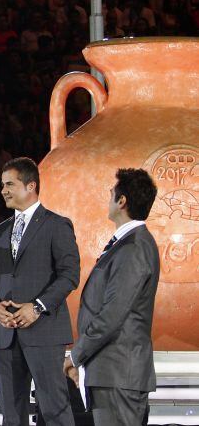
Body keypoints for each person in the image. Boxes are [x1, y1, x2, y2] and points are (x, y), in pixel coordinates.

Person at [0, 157, 80, 426]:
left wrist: (36, 306)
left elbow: (70, 275)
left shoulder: (57, 225)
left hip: (44, 332)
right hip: (5, 334)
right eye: (2, 185)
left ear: (31, 185)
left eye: (10, 184)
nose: (3, 190)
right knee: (11, 414)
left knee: (55, 409)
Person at [64, 168, 159, 426]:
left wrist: (75, 356)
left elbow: (111, 314)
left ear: (122, 201)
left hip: (118, 376)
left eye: (111, 193)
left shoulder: (134, 247)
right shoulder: (129, 243)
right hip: (112, 374)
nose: (108, 198)